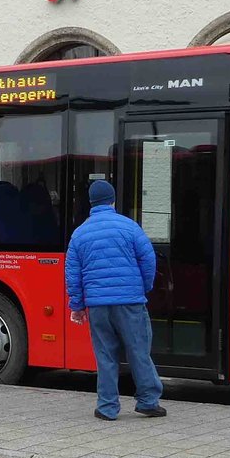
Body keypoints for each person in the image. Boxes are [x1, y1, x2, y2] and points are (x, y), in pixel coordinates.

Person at [65, 180, 165, 421]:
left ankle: (107, 407)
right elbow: (148, 260)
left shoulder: (80, 234)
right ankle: (148, 402)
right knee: (139, 351)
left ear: (91, 203)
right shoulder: (129, 227)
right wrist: (144, 287)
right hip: (130, 301)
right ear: (112, 200)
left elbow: (72, 273)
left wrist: (77, 306)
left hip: (98, 305)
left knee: (105, 355)